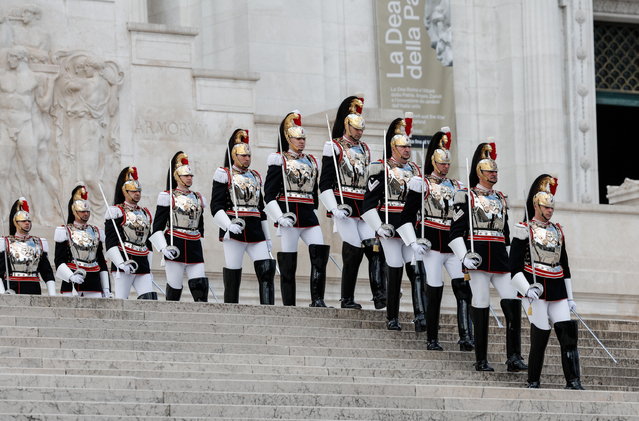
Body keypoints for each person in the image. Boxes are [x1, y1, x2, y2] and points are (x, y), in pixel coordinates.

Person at [448, 142, 527, 372]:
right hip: (479, 258)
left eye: (496, 171)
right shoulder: (466, 196)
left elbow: (506, 234)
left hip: (501, 258)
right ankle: (481, 358)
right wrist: (464, 257)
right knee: (481, 303)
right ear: (479, 173)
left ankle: (514, 356)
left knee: (512, 302)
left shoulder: (501, 198)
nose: (494, 174)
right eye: (490, 171)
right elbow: (455, 232)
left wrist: (515, 262)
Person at [398, 128, 473, 350]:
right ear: (433, 161)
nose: (445, 167)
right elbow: (405, 217)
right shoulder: (421, 184)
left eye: (448, 163)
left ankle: (466, 336)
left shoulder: (457, 186)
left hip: (451, 244)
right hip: (431, 244)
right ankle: (432, 338)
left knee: (463, 288)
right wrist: (413, 242)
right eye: (442, 163)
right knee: (435, 289)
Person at [510, 175, 584, 389]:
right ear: (536, 205)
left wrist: (570, 297)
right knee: (540, 335)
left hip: (557, 287)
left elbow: (565, 266)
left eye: (552, 207)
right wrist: (526, 289)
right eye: (546, 207)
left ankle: (573, 381)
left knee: (568, 335)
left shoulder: (557, 230)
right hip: (535, 286)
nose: (550, 211)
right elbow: (513, 266)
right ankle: (533, 380)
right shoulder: (524, 228)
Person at [319, 95, 386, 309]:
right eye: (356, 128)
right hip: (344, 204)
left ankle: (379, 294)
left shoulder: (365, 148)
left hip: (363, 204)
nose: (359, 132)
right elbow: (325, 182)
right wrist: (333, 206)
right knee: (353, 249)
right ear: (347, 125)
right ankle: (346, 298)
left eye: (361, 129)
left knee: (374, 246)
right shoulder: (334, 146)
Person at [362, 115, 424, 330]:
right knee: (395, 269)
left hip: (410, 226)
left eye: (409, 146)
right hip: (390, 224)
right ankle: (392, 316)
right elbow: (368, 203)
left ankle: (421, 316)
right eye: (403, 147)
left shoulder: (416, 170)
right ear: (393, 147)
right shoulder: (380, 168)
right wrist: (378, 227)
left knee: (416, 269)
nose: (407, 150)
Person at [263, 111, 330, 307]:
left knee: (319, 255)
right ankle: (289, 303)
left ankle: (317, 299)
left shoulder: (311, 160)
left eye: (303, 138)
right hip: (289, 216)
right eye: (297, 138)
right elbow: (268, 195)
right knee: (289, 262)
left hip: (308, 216)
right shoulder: (279, 160)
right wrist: (279, 216)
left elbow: (314, 191)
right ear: (288, 138)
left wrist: (315, 212)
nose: (301, 142)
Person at [211, 129, 276, 304]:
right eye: (243, 155)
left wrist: (268, 237)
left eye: (248, 155)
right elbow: (216, 206)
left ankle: (268, 310)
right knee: (233, 271)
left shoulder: (255, 176)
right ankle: (231, 307)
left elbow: (261, 210)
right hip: (235, 229)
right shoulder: (224, 174)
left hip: (256, 231)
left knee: (266, 271)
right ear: (234, 155)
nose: (247, 158)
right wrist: (228, 225)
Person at [149, 152, 208, 302]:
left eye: (191, 175)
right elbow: (156, 228)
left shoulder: (198, 197)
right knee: (175, 288)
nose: (190, 178)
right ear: (177, 177)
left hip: (194, 244)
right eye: (186, 175)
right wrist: (163, 248)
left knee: (200, 284)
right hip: (176, 243)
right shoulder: (167, 197)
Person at [104, 167, 156, 300]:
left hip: (142, 261)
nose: (137, 194)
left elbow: (147, 242)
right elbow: (110, 241)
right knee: (122, 300)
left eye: (138, 191)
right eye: (133, 191)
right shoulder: (116, 211)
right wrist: (120, 263)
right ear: (125, 192)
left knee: (149, 299)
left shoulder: (144, 213)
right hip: (124, 259)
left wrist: (149, 267)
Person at [54, 185, 110, 297]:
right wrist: (70, 276)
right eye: (82, 211)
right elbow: (59, 260)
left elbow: (101, 261)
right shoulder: (64, 231)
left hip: (94, 280)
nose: (85, 214)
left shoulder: (95, 231)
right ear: (75, 212)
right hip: (73, 275)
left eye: (87, 211)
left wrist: (106, 288)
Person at [0, 198, 56, 295]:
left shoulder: (38, 243)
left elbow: (47, 272)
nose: (27, 223)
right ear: (16, 223)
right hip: (12, 286)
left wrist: (52, 294)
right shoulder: (5, 242)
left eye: (29, 221)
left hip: (33, 286)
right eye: (23, 221)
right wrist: (2, 293)